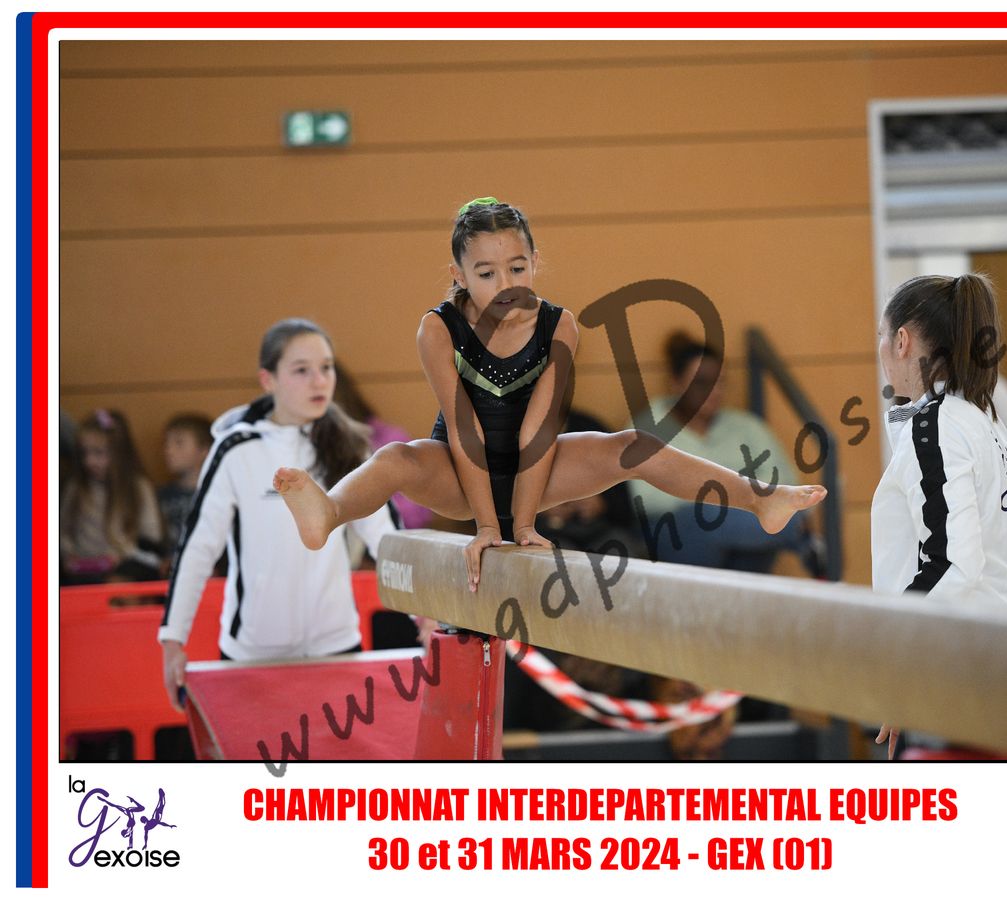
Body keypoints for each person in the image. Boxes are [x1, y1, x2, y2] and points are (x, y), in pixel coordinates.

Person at [272, 198, 827, 591]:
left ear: (535, 263)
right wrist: (487, 528)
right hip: (459, 473)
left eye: (517, 267)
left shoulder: (558, 327)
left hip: (537, 471)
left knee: (632, 445)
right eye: (486, 273)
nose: (505, 284)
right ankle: (330, 510)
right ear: (459, 275)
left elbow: (539, 432)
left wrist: (524, 526)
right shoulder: (438, 329)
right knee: (396, 457)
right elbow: (464, 429)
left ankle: (759, 499)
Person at [157, 318, 402, 712]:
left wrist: (425, 615)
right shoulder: (235, 451)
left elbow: (388, 540)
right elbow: (197, 548)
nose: (319, 381)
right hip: (252, 655)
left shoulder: (351, 448)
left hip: (337, 648)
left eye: (326, 367)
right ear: (267, 380)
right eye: (301, 370)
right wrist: (173, 640)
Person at [871, 273, 1007, 758]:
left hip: (960, 655)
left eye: (882, 335)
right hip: (992, 646)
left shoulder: (939, 424)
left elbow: (952, 563)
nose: (880, 349)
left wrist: (895, 658)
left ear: (902, 341)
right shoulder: (981, 416)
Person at [627, 332, 824, 575]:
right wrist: (734, 497)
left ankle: (796, 536)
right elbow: (645, 497)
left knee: (763, 522)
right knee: (708, 515)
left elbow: (784, 479)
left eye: (719, 382)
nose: (713, 391)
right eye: (701, 382)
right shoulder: (647, 427)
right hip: (674, 533)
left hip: (744, 537)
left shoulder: (746, 426)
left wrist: (735, 501)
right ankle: (801, 536)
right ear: (675, 383)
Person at [60, 409, 164, 584]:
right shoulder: (76, 487)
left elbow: (151, 537)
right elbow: (64, 530)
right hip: (81, 569)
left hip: (125, 565)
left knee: (120, 583)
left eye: (99, 453)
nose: (89, 461)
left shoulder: (138, 487)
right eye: (84, 453)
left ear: (119, 453)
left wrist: (123, 555)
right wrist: (68, 556)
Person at [332, 363, 433, 529]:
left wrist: (354, 510)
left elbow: (417, 513)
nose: (318, 383)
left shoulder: (387, 441)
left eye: (325, 370)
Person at [158, 413, 214, 561]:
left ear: (205, 451)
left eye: (179, 443)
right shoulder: (160, 496)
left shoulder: (217, 495)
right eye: (166, 443)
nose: (168, 450)